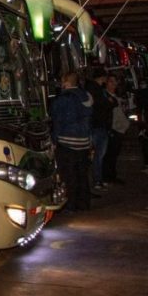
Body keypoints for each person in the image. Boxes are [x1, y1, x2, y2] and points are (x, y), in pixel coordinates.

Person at [51, 72, 94, 212]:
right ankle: (84, 203)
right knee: (82, 174)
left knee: (69, 175)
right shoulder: (86, 97)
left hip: (67, 141)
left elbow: (57, 120)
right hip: (84, 141)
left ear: (66, 82)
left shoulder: (63, 99)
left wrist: (54, 140)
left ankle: (70, 205)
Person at [84, 69, 112, 194]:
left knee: (97, 156)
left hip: (97, 125)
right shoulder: (96, 90)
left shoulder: (93, 89)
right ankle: (96, 180)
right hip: (97, 126)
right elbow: (105, 104)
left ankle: (97, 180)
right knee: (97, 156)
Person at [103, 75, 130, 184]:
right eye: (111, 81)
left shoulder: (118, 96)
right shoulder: (105, 96)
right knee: (109, 155)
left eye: (115, 81)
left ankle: (111, 175)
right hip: (112, 129)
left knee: (114, 155)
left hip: (119, 129)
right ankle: (108, 177)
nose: (113, 84)